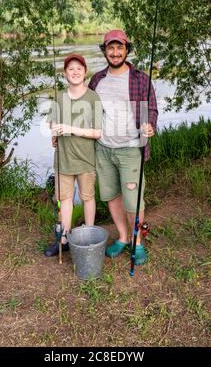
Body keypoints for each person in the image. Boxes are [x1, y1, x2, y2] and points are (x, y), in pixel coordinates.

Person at [88, 29, 158, 265]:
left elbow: (152, 110)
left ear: (127, 50)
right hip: (103, 148)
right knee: (111, 196)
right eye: (111, 48)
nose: (115, 52)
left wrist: (150, 126)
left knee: (133, 201)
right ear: (105, 51)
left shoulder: (140, 79)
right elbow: (88, 112)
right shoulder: (97, 80)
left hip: (130, 149)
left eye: (120, 47)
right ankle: (123, 236)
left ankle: (137, 243)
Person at [44, 54, 102, 257]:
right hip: (63, 159)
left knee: (88, 198)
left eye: (79, 68)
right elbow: (52, 123)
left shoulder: (93, 97)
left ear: (85, 72)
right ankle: (64, 239)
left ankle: (89, 238)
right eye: (71, 69)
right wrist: (53, 133)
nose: (75, 72)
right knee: (65, 199)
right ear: (65, 74)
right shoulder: (59, 96)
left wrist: (70, 128)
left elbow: (97, 132)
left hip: (86, 159)